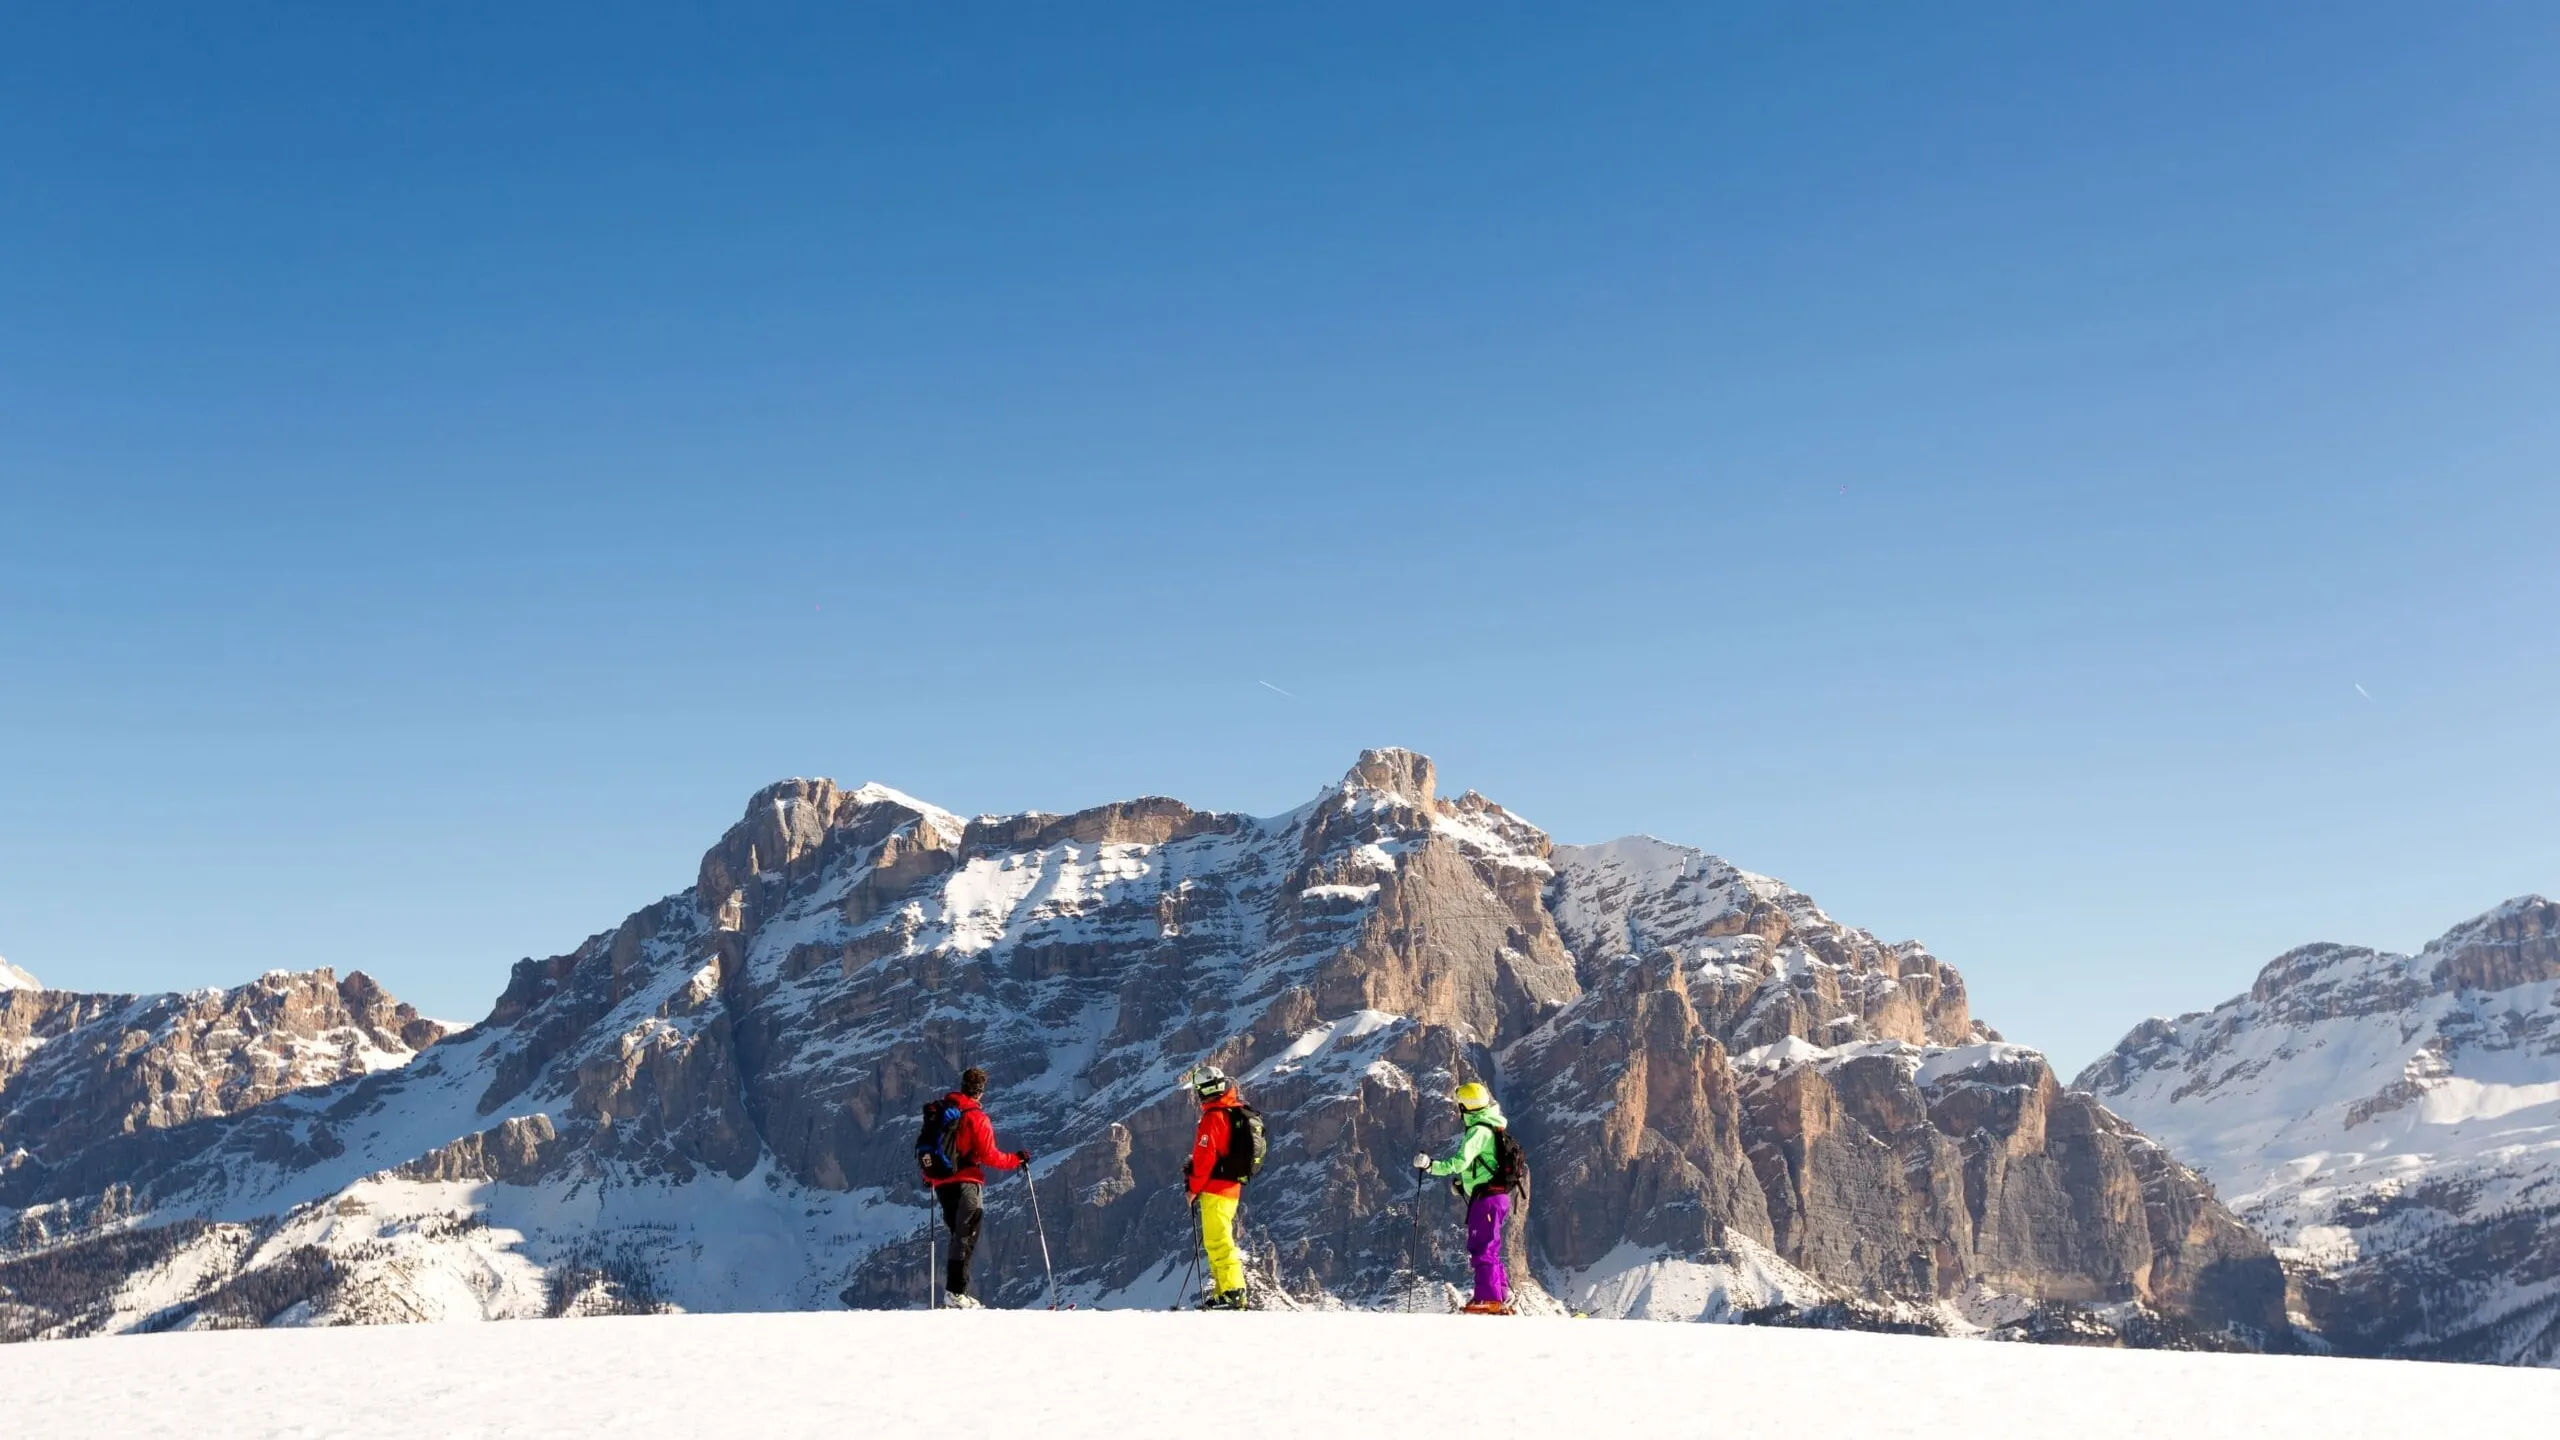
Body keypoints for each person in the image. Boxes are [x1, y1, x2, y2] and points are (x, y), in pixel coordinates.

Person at [923, 1067, 1027, 1308]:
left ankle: (956, 1293)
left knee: (957, 1236)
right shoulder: (975, 1117)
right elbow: (989, 1156)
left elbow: (929, 1145)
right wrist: (1016, 1159)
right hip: (966, 1183)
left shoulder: (941, 1113)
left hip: (941, 1184)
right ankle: (955, 1294)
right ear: (980, 1091)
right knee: (966, 1235)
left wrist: (930, 1176)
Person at [1413, 1081, 1519, 1315]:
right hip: (1494, 1196)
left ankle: (1488, 1299)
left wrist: (1431, 1166)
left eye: (1459, 1105)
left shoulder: (1478, 1131)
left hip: (1487, 1198)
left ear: (1465, 1107)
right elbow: (1487, 1165)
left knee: (1482, 1247)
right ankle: (1501, 1293)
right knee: (1489, 1246)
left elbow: (1459, 1162)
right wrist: (1464, 1184)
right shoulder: (1491, 1126)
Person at [1183, 1065, 1257, 1311]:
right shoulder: (1230, 1111)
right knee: (1216, 1239)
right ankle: (1223, 1292)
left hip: (1216, 1189)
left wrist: (1192, 1187)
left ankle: (1233, 1292)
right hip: (1229, 1187)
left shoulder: (1213, 1117)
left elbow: (1204, 1159)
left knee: (1218, 1241)